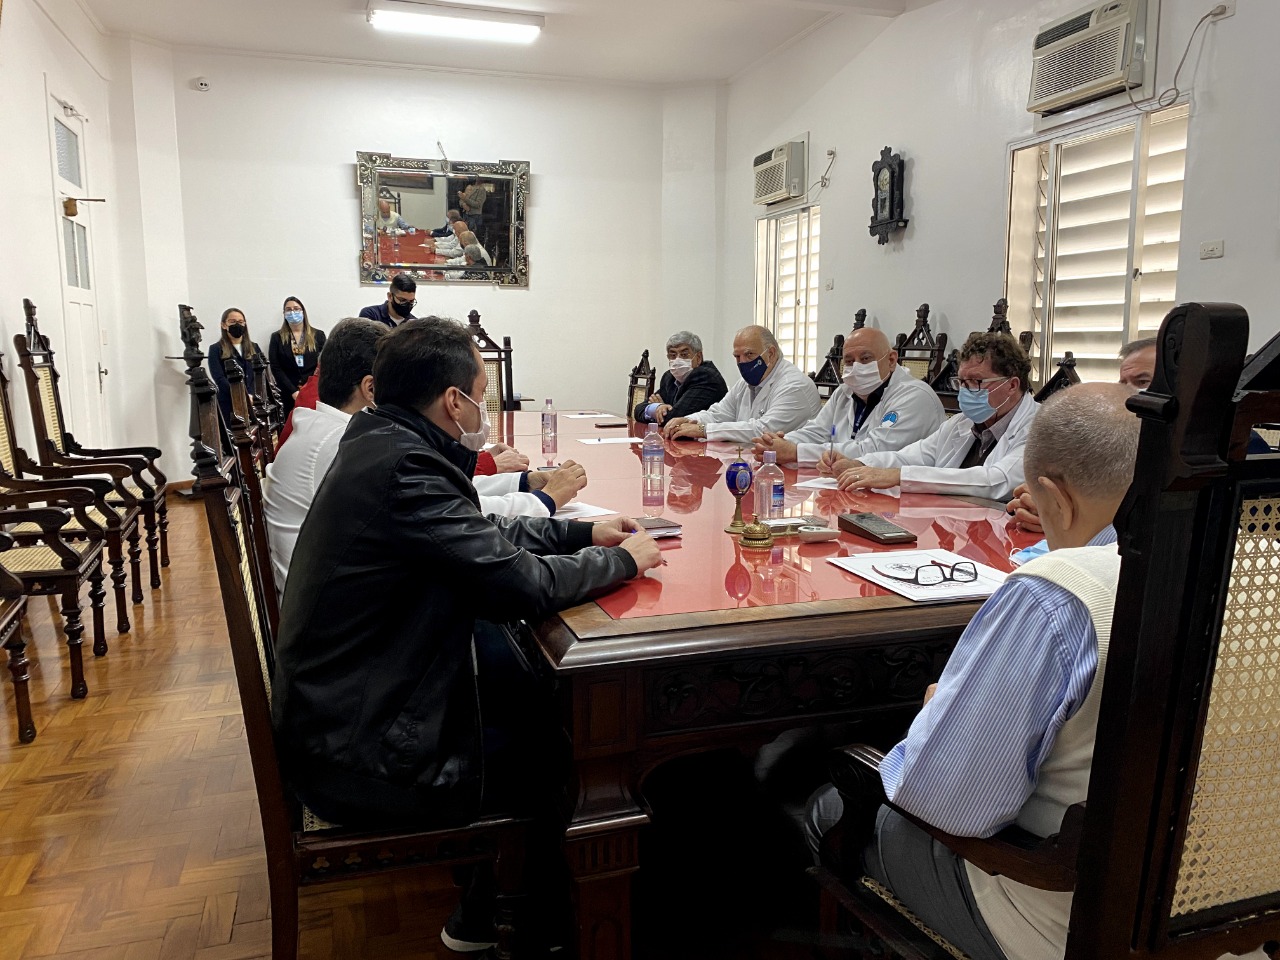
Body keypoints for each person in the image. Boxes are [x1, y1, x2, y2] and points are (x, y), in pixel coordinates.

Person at [272, 317, 661, 950]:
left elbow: (479, 534)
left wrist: (581, 533)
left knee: (532, 696)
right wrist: (620, 561)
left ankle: (492, 895)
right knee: (569, 748)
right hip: (363, 753)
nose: (485, 404)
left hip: (347, 710)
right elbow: (520, 583)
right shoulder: (404, 466)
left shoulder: (383, 441)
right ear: (454, 399)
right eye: (482, 391)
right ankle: (521, 919)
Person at [805, 382, 1141, 960]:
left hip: (1062, 918)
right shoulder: (1256, 565)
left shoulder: (1058, 596)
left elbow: (948, 803)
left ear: (1053, 499)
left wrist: (941, 713)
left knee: (833, 804)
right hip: (1226, 912)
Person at [264, 318, 586, 590]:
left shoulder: (334, 432)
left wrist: (521, 483)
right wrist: (544, 501)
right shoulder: (344, 446)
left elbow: (444, 494)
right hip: (360, 621)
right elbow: (457, 517)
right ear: (371, 388)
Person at [824, 332, 1037, 501]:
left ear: (1012, 385)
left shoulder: (1038, 428)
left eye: (976, 381)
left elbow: (996, 481)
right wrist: (860, 464)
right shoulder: (962, 423)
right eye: (961, 382)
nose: (965, 391)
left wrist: (900, 476)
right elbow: (909, 456)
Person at [752, 325, 946, 465]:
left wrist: (796, 452)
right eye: (849, 361)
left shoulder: (915, 397)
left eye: (866, 358)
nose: (856, 367)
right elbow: (817, 432)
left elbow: (873, 451)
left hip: (904, 498)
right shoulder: (844, 392)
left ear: (891, 360)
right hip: (847, 485)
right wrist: (780, 442)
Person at [663, 325, 821, 442]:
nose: (742, 362)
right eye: (737, 357)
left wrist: (704, 430)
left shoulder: (794, 385)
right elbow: (719, 414)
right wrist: (687, 420)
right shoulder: (745, 384)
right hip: (749, 461)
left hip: (791, 471)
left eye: (749, 354)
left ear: (771, 353)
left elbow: (762, 430)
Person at [634, 331, 728, 425]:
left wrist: (659, 411)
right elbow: (638, 410)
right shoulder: (669, 378)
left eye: (684, 355)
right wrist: (657, 407)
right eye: (673, 355)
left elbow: (674, 419)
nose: (677, 360)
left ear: (698, 358)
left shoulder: (705, 377)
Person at [268, 296, 326, 416]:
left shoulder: (318, 335)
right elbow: (275, 367)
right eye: (288, 310)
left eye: (296, 308)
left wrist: (311, 387)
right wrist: (293, 391)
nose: (292, 312)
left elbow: (324, 363)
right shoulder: (276, 337)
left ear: (303, 311)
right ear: (284, 314)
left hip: (314, 391)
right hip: (288, 393)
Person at [207, 307, 264, 420]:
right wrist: (241, 395)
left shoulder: (254, 347)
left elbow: (259, 374)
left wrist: (251, 394)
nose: (237, 324)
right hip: (229, 402)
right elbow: (219, 378)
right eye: (232, 321)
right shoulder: (215, 349)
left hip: (254, 400)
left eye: (240, 322)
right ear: (224, 325)